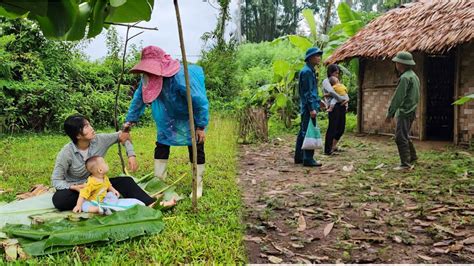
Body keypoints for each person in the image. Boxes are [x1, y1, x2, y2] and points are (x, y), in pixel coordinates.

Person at [124, 46, 209, 198]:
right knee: (162, 144)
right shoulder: (147, 78)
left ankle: (198, 185)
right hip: (166, 116)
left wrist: (201, 126)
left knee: (196, 146)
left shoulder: (181, 78)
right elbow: (139, 98)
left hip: (189, 116)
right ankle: (159, 182)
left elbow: (199, 101)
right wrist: (130, 120)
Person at [51, 114, 156, 211]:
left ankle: (150, 203)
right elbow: (56, 180)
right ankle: (90, 203)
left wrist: (131, 155)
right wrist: (74, 187)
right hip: (79, 189)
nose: (92, 128)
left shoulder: (99, 140)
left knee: (126, 181)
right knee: (59, 200)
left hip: (99, 185)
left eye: (89, 124)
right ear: (78, 135)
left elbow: (123, 135)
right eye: (86, 127)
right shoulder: (66, 153)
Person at [73, 156, 146, 214]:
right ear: (100, 170)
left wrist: (114, 190)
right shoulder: (91, 183)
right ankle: (97, 209)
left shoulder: (104, 178)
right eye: (105, 163)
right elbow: (82, 194)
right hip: (92, 201)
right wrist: (78, 205)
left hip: (103, 199)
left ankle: (109, 206)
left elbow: (108, 186)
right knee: (84, 206)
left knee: (111, 194)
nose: (107, 164)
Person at [385, 51, 420, 170]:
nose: (396, 64)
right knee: (405, 135)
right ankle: (413, 157)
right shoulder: (414, 76)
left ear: (401, 64)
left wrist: (390, 113)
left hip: (405, 111)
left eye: (397, 62)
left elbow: (398, 97)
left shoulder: (405, 78)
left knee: (400, 137)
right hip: (412, 110)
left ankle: (405, 164)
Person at [294, 47, 323, 167]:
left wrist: (319, 101)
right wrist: (312, 108)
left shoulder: (308, 71)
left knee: (303, 131)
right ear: (310, 58)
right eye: (316, 55)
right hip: (308, 108)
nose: (319, 58)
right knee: (308, 132)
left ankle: (299, 156)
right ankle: (308, 158)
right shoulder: (307, 72)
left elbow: (311, 91)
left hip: (307, 106)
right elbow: (307, 92)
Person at [322, 64, 348, 155]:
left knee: (341, 127)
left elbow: (343, 91)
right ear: (330, 72)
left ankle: (333, 146)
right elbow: (332, 92)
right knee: (332, 127)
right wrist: (341, 99)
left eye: (338, 73)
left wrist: (345, 101)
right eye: (335, 73)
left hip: (341, 106)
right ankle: (327, 149)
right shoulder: (326, 81)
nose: (337, 75)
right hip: (333, 106)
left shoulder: (336, 81)